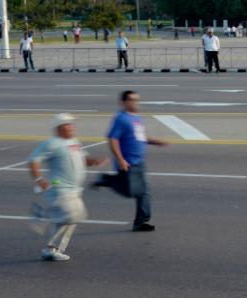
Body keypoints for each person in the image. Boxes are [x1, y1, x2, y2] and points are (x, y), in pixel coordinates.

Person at [28, 113, 107, 261]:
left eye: (72, 124)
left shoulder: (74, 141)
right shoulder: (52, 143)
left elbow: (83, 159)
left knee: (71, 219)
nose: (72, 127)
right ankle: (45, 215)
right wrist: (39, 178)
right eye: (68, 124)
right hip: (59, 187)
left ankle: (52, 249)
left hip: (74, 189)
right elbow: (33, 161)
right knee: (73, 216)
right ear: (58, 128)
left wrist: (94, 161)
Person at [92, 91, 170, 231]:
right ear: (123, 102)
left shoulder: (137, 118)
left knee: (144, 192)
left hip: (139, 162)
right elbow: (113, 139)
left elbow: (140, 137)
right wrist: (120, 159)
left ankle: (140, 222)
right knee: (131, 192)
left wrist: (155, 141)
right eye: (132, 100)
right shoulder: (121, 119)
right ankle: (106, 180)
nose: (135, 103)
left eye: (137, 100)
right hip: (128, 163)